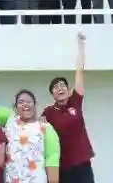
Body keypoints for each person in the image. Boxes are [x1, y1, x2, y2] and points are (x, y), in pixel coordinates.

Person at [42, 34, 96, 183]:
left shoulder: (75, 102)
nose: (60, 88)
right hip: (63, 166)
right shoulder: (48, 112)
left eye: (62, 86)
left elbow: (79, 71)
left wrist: (81, 45)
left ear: (68, 89)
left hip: (83, 163)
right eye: (55, 87)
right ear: (52, 94)